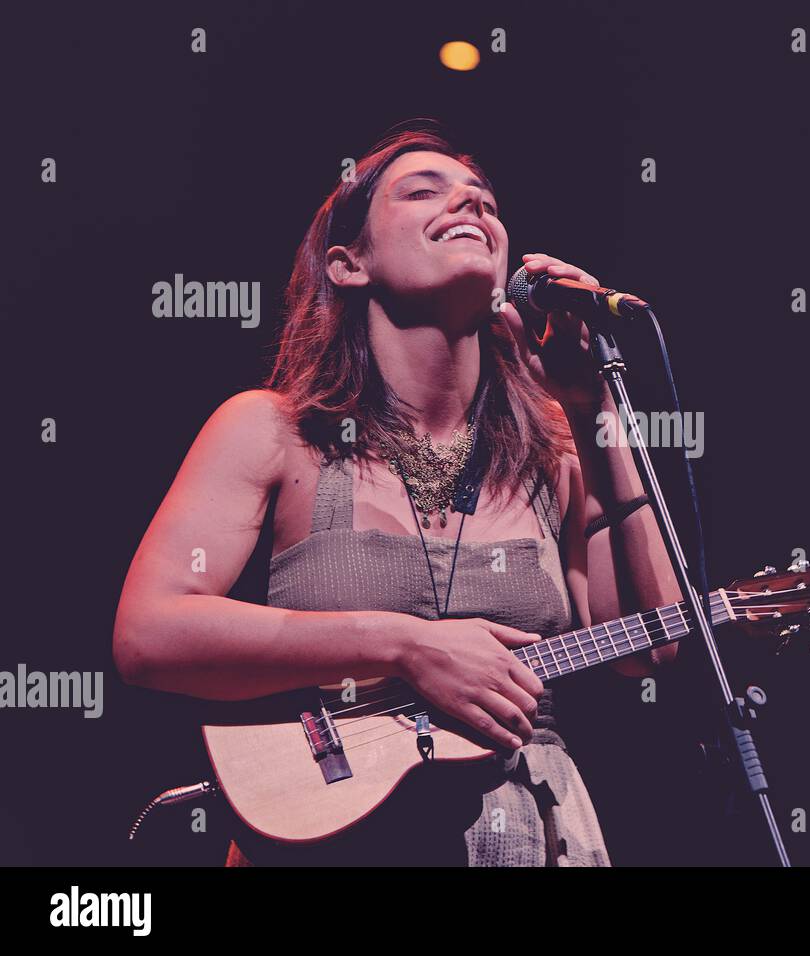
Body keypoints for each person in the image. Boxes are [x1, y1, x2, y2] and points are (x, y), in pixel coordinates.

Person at [112, 123, 681, 866]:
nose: (470, 204)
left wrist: (594, 412)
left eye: (484, 199)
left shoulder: (558, 447)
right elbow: (148, 635)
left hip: (528, 831)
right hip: (334, 832)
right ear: (350, 265)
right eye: (425, 192)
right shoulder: (271, 430)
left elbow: (655, 646)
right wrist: (404, 645)